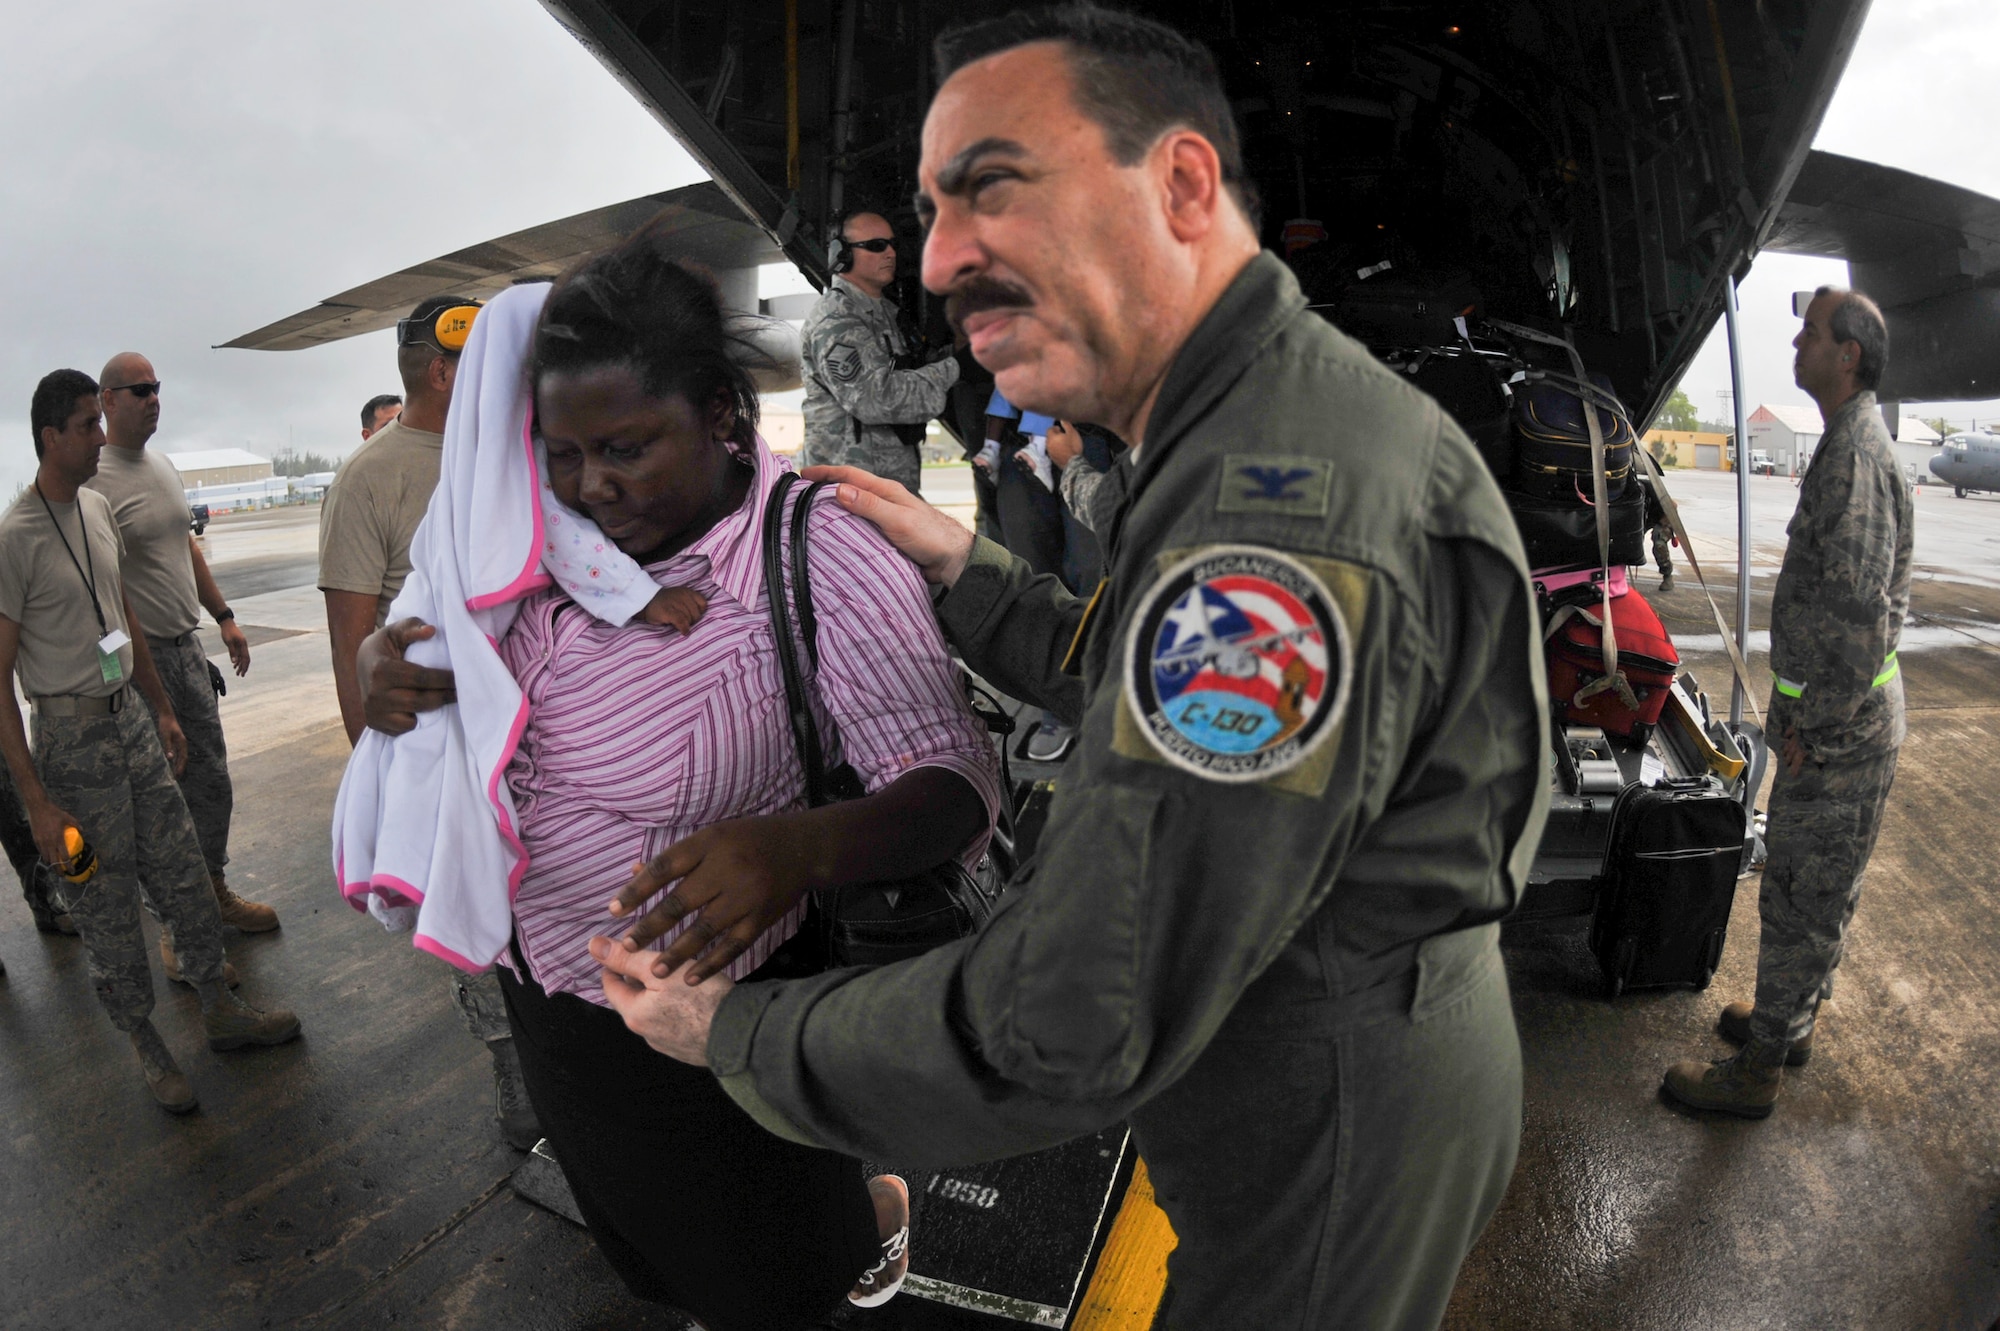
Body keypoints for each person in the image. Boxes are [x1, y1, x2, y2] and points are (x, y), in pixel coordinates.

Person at [582, 10, 1549, 1329]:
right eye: (928, 215)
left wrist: (739, 1032)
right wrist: (961, 562)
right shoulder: (1243, 435)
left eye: (993, 187)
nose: (939, 258)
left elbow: (1075, 1009)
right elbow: (1129, 669)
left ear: (1184, 186)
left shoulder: (1277, 516)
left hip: (1319, 1120)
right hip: (1318, 1051)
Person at [353, 238, 1000, 1330]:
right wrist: (391, 666)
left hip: (725, 1020)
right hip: (552, 996)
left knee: (772, 1275)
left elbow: (956, 782)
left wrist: (795, 847)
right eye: (560, 453)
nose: (591, 486)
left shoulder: (816, 553)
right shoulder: (533, 543)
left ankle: (860, 1219)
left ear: (718, 415)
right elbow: (451, 660)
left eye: (625, 447)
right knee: (655, 1255)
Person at [0, 370, 300, 1112]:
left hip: (132, 724)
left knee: (184, 872)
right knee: (101, 905)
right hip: (69, 749)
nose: (101, 436)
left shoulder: (97, 507)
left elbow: (123, 613)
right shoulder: (16, 538)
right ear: (50, 438)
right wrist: (35, 798)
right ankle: (146, 1042)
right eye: (86, 426)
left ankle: (221, 1010)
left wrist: (161, 708)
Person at [1664, 287, 1912, 1119]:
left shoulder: (1855, 455)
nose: (1795, 345)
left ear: (1849, 356)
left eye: (1810, 334)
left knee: (1800, 890)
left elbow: (1854, 617)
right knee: (1821, 887)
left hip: (1842, 732)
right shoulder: (1849, 442)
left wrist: (1813, 731)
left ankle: (1759, 1069)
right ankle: (1790, 1021)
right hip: (1844, 722)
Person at [316, 293, 538, 1149]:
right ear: (446, 370)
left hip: (524, 740)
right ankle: (512, 1073)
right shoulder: (372, 475)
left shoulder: (517, 445)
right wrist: (378, 779)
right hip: (441, 749)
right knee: (480, 944)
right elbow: (353, 646)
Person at [89, 353, 276, 988]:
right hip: (142, 663)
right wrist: (130, 677)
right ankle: (173, 923)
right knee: (161, 798)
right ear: (107, 400)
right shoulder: (96, 483)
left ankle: (213, 890)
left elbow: (184, 546)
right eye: (140, 390)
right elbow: (102, 594)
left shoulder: (162, 467)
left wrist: (222, 615)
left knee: (210, 779)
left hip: (186, 648)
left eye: (158, 388)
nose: (154, 399)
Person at [799, 209, 962, 492]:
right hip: (852, 492)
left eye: (893, 245)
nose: (890, 253)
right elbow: (875, 397)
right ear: (843, 255)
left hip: (889, 485)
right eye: (876, 246)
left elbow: (911, 369)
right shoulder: (836, 319)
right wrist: (957, 367)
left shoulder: (888, 313)